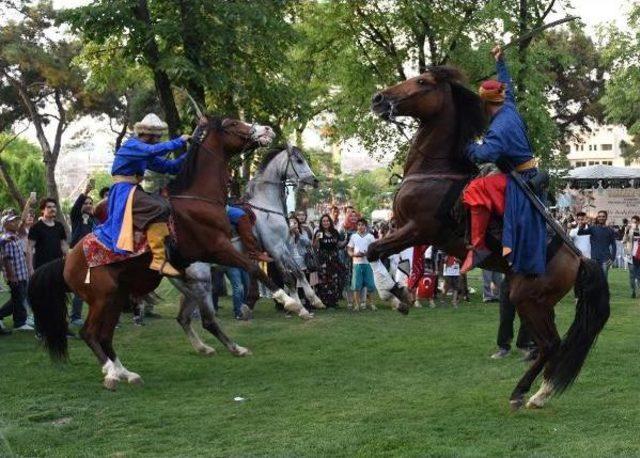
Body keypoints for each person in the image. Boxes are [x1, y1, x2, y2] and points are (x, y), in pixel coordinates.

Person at [460, 45, 546, 276]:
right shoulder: (508, 105)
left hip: (519, 181)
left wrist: (465, 141)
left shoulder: (499, 128)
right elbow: (507, 84)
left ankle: (478, 247)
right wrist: (500, 61)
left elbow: (482, 155)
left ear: (486, 104)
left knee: (475, 188)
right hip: (523, 172)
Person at [94, 113, 190, 277]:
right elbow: (153, 149)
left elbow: (171, 167)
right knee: (158, 206)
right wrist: (180, 141)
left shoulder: (145, 154)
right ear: (147, 134)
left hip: (133, 189)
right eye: (156, 136)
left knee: (166, 205)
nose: (158, 139)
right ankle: (159, 261)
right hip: (123, 191)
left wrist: (192, 152)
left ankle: (163, 253)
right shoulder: (133, 145)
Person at [68, 180, 99, 326]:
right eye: (85, 203)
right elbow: (75, 207)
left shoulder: (95, 220)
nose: (88, 205)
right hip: (78, 257)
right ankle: (75, 317)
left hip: (92, 257)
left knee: (95, 286)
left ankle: (97, 316)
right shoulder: (76, 218)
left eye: (90, 203)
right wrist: (85, 192)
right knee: (79, 288)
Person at [0, 214, 32, 331]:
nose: (15, 223)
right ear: (5, 224)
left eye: (15, 221)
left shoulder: (15, 236)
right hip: (16, 275)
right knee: (18, 299)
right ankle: (20, 323)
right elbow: (6, 259)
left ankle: (3, 316)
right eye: (12, 222)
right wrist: (12, 276)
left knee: (17, 299)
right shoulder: (6, 239)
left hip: (22, 274)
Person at [313, 214, 346, 308]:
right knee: (323, 280)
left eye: (327, 221)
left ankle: (333, 302)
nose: (326, 222)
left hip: (334, 260)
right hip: (323, 260)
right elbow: (315, 246)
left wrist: (347, 240)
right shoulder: (319, 232)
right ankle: (323, 302)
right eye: (323, 221)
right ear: (321, 223)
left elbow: (339, 244)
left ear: (330, 222)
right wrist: (316, 240)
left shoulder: (335, 232)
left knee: (334, 281)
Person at [27, 198, 68, 270]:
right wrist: (30, 269)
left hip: (58, 266)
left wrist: (68, 261)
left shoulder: (59, 226)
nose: (53, 209)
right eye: (49, 207)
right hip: (42, 268)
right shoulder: (35, 227)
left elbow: (63, 245)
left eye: (54, 207)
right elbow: (29, 248)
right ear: (42, 210)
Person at [347, 218, 377, 311]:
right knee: (356, 285)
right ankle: (357, 305)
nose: (361, 227)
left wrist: (367, 253)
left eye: (362, 225)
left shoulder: (370, 237)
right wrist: (353, 255)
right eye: (359, 225)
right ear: (357, 226)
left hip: (368, 263)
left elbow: (375, 249)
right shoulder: (353, 236)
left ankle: (372, 303)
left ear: (366, 226)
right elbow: (349, 249)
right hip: (357, 263)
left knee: (371, 285)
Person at [577, 210, 616, 279]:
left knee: (603, 279)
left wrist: (612, 258)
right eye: (599, 216)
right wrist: (583, 224)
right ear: (597, 218)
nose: (601, 218)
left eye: (603, 216)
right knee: (594, 279)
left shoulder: (610, 230)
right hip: (594, 258)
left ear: (606, 218)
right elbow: (580, 233)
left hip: (605, 259)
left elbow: (614, 245)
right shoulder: (593, 228)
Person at [623, 215, 640, 298]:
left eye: (636, 222)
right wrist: (627, 231)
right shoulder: (628, 230)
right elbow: (624, 241)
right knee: (632, 275)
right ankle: (633, 291)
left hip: (639, 255)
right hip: (631, 255)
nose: (634, 223)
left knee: (639, 275)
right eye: (632, 222)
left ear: (638, 222)